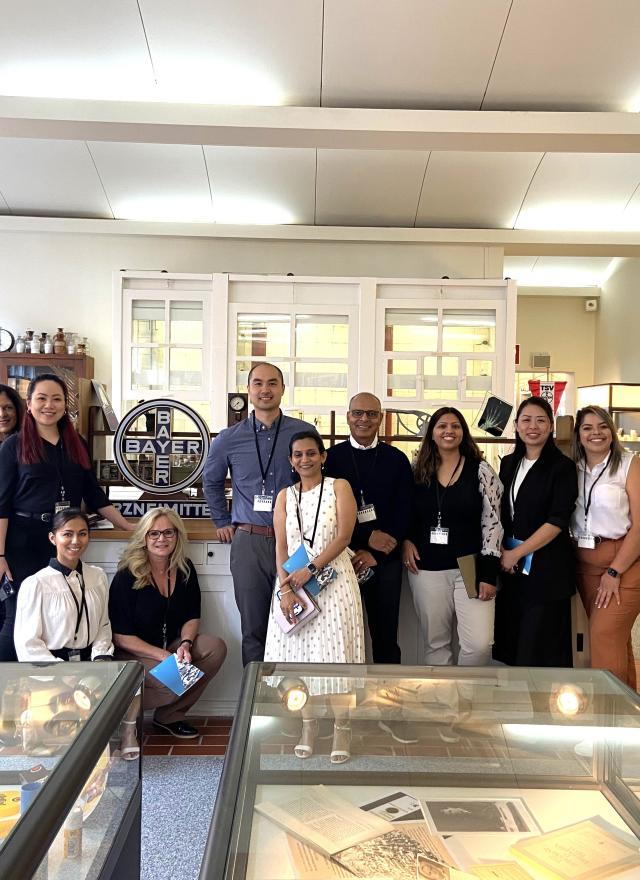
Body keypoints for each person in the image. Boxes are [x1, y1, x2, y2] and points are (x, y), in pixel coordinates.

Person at [0, 374, 134, 661]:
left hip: (65, 538)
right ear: (29, 403)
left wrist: (129, 527)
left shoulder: (77, 443)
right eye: (42, 399)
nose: (49, 405)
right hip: (23, 542)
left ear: (65, 405)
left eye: (57, 399)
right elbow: (1, 506)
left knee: (64, 616)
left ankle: (60, 685)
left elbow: (94, 494)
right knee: (19, 619)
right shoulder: (13, 446)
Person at [264, 430, 364, 763]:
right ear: (291, 461)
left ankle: (342, 727)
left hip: (333, 583)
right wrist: (286, 588)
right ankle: (309, 725)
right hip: (293, 586)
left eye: (311, 453)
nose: (304, 460)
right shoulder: (284, 496)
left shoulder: (339, 487)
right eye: (298, 455)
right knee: (300, 660)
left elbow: (344, 536)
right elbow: (280, 546)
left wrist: (311, 568)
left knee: (336, 660)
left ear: (322, 456)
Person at [203, 362, 313, 665]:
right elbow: (210, 482)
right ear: (249, 390)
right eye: (259, 383)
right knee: (253, 628)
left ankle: (292, 700)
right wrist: (221, 520)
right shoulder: (228, 438)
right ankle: (253, 704)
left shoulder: (303, 433)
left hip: (293, 543)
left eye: (273, 383)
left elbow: (317, 483)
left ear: (282, 389)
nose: (266, 389)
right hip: (249, 541)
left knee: (299, 620)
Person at [13, 508, 138, 760]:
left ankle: (127, 734)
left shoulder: (97, 576)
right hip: (51, 668)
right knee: (59, 739)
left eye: (82, 534)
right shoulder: (36, 584)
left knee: (132, 684)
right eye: (67, 534)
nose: (75, 541)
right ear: (53, 538)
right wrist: (64, 673)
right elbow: (27, 642)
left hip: (91, 661)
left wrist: (101, 658)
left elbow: (104, 624)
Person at [108, 508, 227, 739]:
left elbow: (192, 614)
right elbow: (120, 635)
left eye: (168, 533)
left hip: (169, 646)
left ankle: (170, 715)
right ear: (144, 537)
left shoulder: (184, 568)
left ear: (177, 536)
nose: (161, 539)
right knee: (177, 677)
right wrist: (162, 656)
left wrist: (185, 644)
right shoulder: (127, 574)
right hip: (133, 652)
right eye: (153, 534)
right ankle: (118, 713)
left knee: (216, 647)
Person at [402, 407, 503, 667]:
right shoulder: (416, 471)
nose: (449, 431)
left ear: (463, 433)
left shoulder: (481, 471)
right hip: (426, 568)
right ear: (432, 434)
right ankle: (445, 704)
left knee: (479, 645)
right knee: (436, 645)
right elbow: (406, 513)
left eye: (455, 426)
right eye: (442, 426)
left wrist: (489, 574)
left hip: (470, 568)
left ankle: (469, 701)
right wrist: (405, 540)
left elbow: (493, 524)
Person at [324, 392, 413, 664]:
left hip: (384, 559)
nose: (364, 419)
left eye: (372, 414)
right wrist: (364, 539)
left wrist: (379, 552)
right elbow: (325, 510)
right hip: (339, 557)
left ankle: (388, 701)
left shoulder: (396, 459)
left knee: (386, 637)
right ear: (348, 417)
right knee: (339, 634)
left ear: (381, 418)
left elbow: (406, 509)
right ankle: (342, 699)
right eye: (358, 413)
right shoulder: (330, 458)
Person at [494, 396, 578, 667]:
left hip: (546, 570)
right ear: (516, 426)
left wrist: (517, 552)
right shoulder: (508, 464)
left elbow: (557, 520)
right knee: (514, 645)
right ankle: (515, 707)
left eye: (541, 420)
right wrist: (504, 553)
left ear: (551, 426)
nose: (533, 426)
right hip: (513, 571)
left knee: (540, 647)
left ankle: (543, 707)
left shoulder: (562, 467)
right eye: (526, 420)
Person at [570, 406, 640, 688]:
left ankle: (607, 719)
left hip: (624, 563)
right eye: (587, 428)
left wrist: (614, 571)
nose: (595, 433)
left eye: (602, 426)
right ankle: (629, 714)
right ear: (578, 434)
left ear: (611, 431)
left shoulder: (628, 464)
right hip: (585, 563)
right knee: (615, 642)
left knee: (602, 637)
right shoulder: (572, 466)